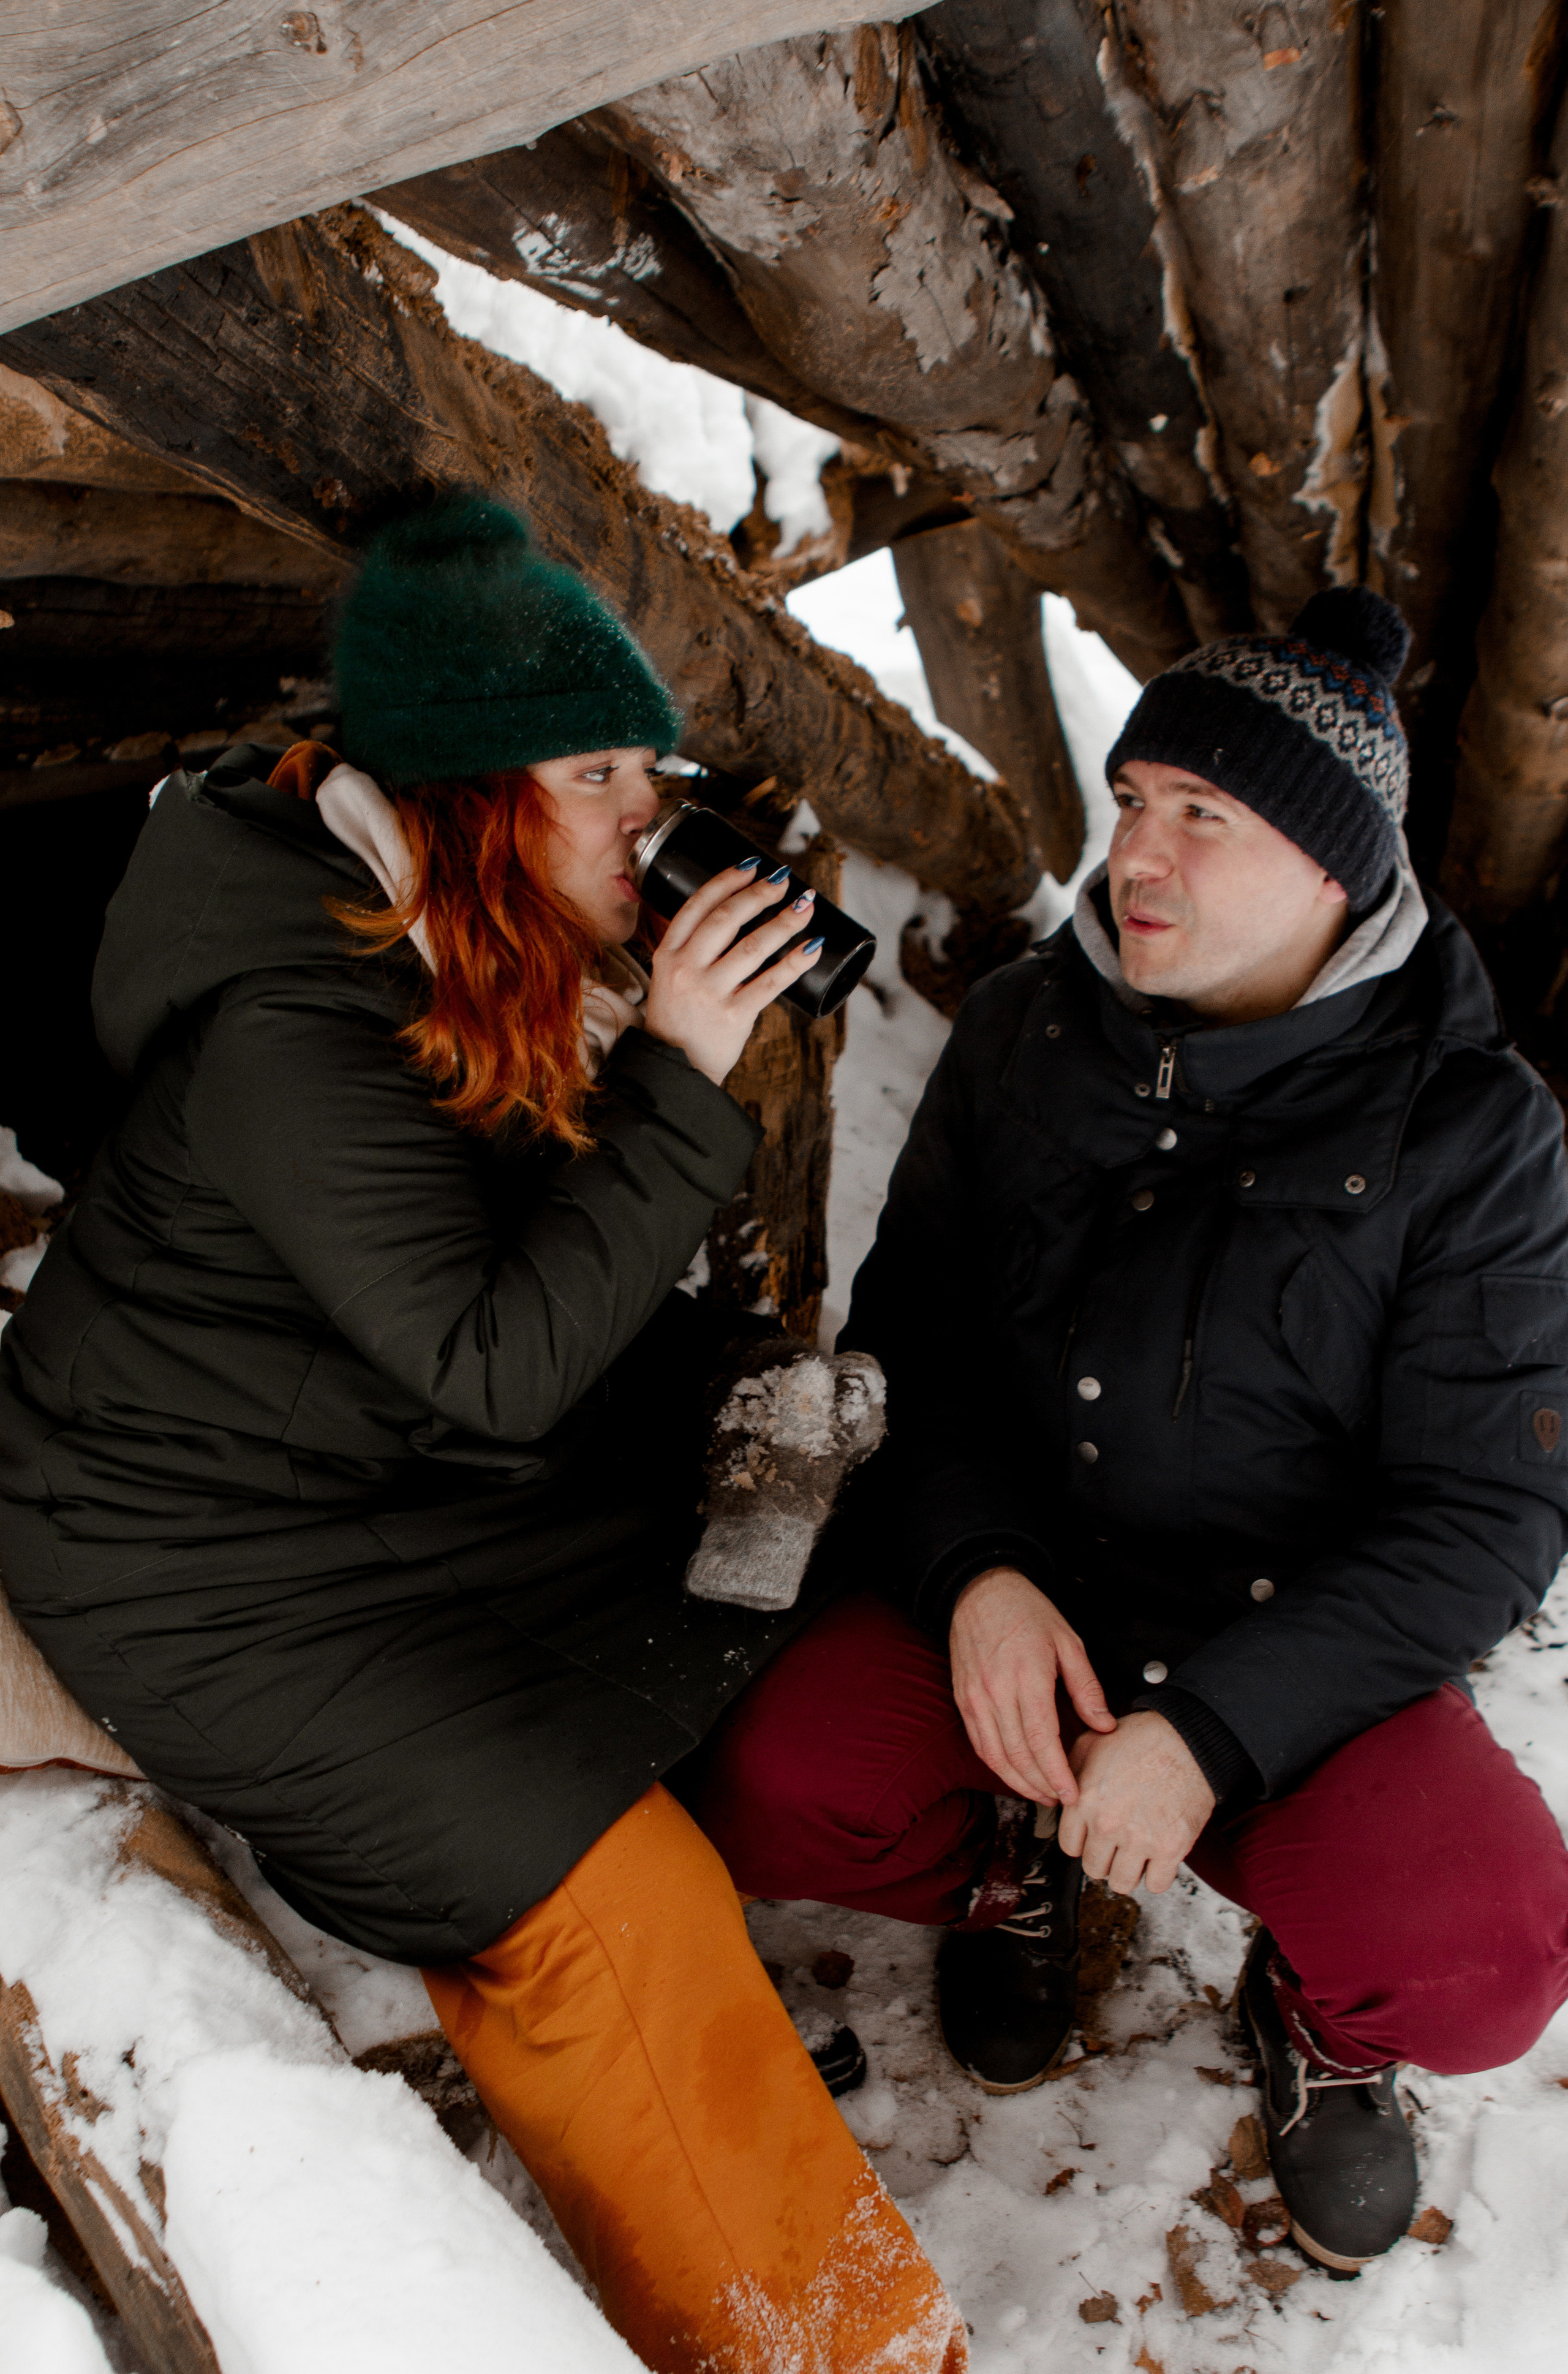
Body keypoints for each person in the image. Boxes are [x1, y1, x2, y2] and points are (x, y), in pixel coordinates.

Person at [0, 497, 967, 2374]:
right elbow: (493, 1353)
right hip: (193, 1566)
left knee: (713, 1516)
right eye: (595, 769)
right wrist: (681, 1075)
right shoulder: (296, 1008)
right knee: (598, 1875)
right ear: (460, 790)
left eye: (647, 762)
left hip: (370, 1479)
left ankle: (502, 1824)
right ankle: (834, 2346)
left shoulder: (456, 926)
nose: (643, 808)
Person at [678, 585, 1568, 2275]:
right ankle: (1022, 1857)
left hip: (1293, 1650)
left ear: (1332, 870)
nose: (1136, 856)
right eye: (1136, 801)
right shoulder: (1026, 1026)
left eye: (1203, 819)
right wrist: (980, 1574)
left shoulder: (1475, 1132)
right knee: (774, 1772)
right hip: (1045, 1595)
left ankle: (1318, 2019)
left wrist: (1218, 1733)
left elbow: (1482, 1518)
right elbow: (911, 1342)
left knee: (1487, 1948)